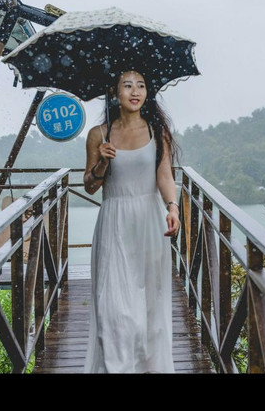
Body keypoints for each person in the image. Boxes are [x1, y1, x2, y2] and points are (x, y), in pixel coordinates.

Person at [82, 70, 181, 373]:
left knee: (151, 306)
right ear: (115, 93)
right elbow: (89, 185)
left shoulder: (157, 132)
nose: (135, 91)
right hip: (114, 222)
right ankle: (117, 367)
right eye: (127, 85)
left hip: (149, 223)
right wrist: (102, 162)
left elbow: (165, 176)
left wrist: (173, 207)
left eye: (141, 85)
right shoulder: (98, 135)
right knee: (112, 307)